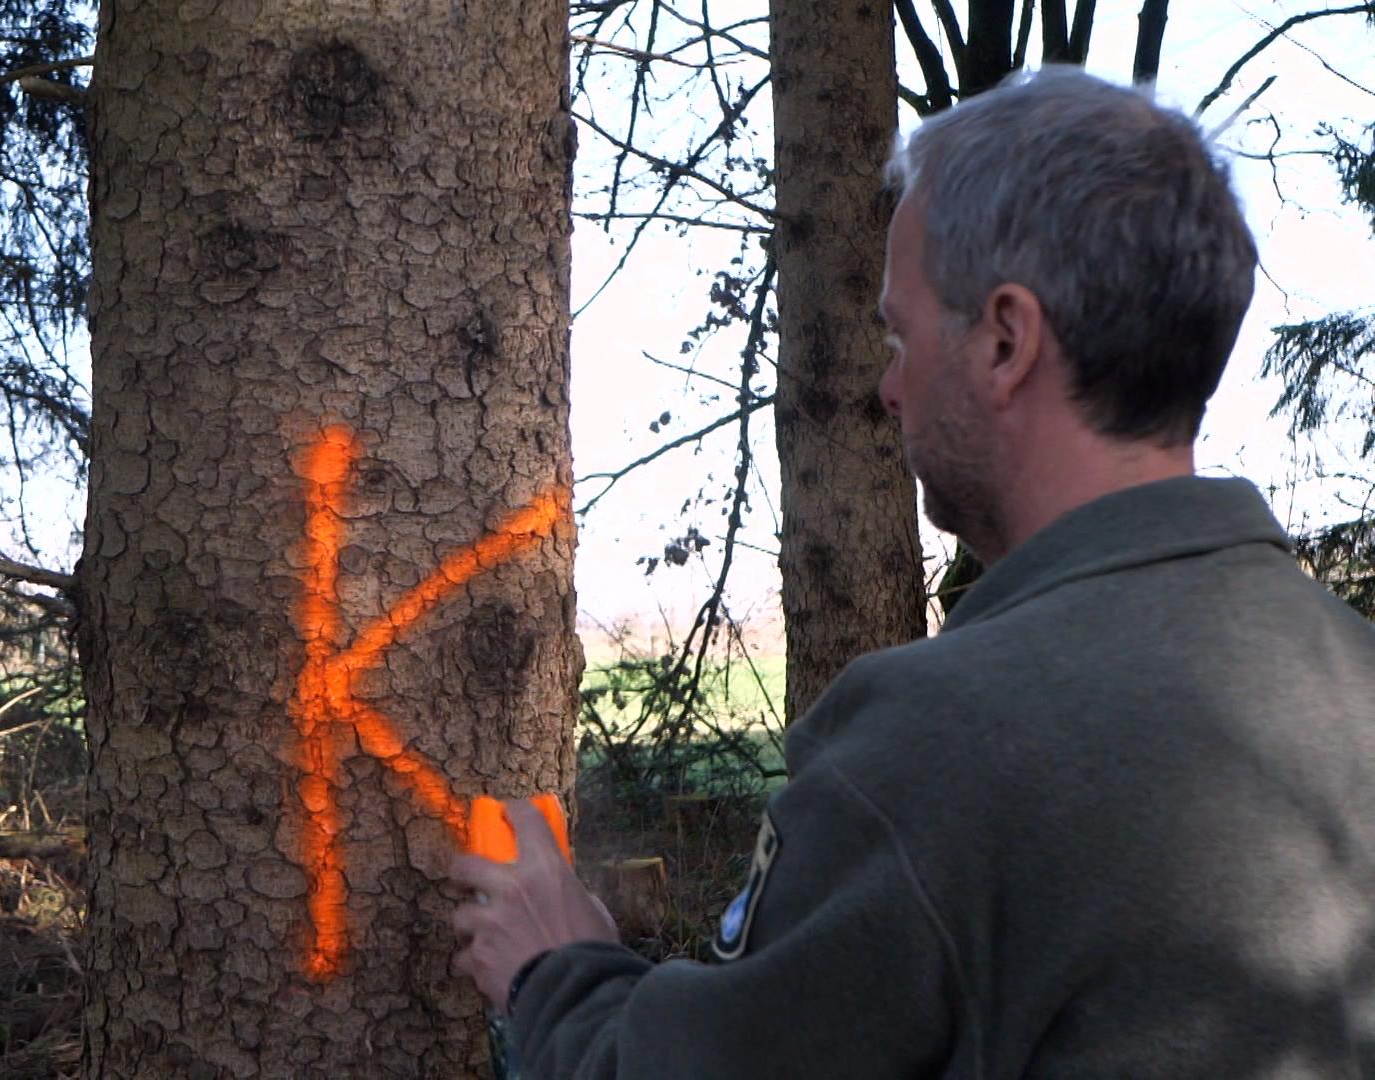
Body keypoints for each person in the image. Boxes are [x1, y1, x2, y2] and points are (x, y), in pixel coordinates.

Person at [449, 66, 1375, 1077]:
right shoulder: (1352, 675)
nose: (888, 387)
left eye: (901, 332)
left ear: (1006, 340)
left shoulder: (939, 741)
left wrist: (557, 972)